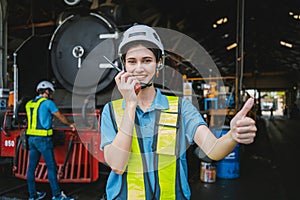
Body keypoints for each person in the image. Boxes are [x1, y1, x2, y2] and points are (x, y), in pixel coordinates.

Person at [100, 24, 257, 199]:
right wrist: (130, 104)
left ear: (159, 64)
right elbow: (117, 165)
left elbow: (213, 150)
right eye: (132, 61)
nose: (139, 68)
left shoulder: (182, 108)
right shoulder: (111, 111)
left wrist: (233, 136)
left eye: (147, 60)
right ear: (123, 65)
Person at [25, 80, 76, 200]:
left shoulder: (29, 104)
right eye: (51, 92)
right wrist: (70, 124)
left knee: (31, 168)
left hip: (31, 139)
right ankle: (57, 195)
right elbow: (59, 116)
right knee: (51, 167)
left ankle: (32, 196)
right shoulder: (48, 103)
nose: (51, 94)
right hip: (43, 140)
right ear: (47, 91)